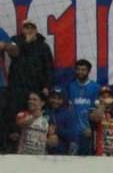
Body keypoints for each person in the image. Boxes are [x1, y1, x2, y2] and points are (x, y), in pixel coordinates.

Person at [4, 22, 52, 152]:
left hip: (35, 88)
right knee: (13, 114)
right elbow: (13, 53)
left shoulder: (43, 46)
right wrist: (27, 42)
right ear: (22, 29)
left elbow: (49, 67)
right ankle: (11, 144)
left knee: (34, 116)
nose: (29, 30)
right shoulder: (15, 41)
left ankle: (36, 148)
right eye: (26, 27)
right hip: (17, 87)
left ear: (36, 29)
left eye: (32, 27)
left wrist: (47, 85)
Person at [65, 60, 98, 156]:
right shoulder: (70, 86)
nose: (80, 72)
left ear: (89, 71)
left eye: (83, 70)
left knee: (86, 162)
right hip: (73, 132)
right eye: (78, 69)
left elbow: (96, 111)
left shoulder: (96, 87)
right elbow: (69, 108)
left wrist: (91, 129)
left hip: (87, 132)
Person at [15, 91, 54, 155]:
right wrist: (34, 116)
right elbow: (21, 124)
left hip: (41, 156)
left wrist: (48, 140)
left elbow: (54, 138)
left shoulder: (48, 118)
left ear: (42, 103)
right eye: (29, 99)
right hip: (23, 155)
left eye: (34, 100)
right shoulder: (22, 114)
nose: (30, 101)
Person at [45, 87, 81, 155]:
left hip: (63, 154)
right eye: (53, 97)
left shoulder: (69, 115)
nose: (55, 101)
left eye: (59, 99)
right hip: (44, 153)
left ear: (64, 100)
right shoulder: (44, 113)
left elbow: (74, 136)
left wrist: (57, 130)